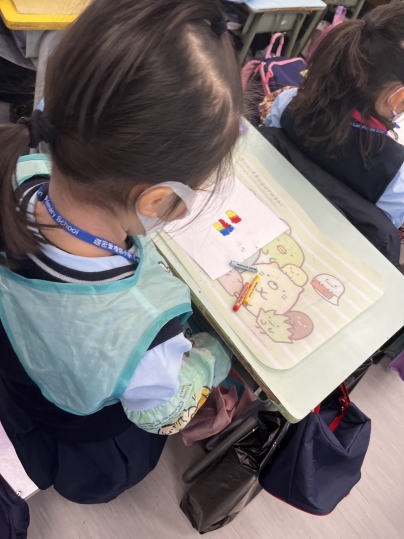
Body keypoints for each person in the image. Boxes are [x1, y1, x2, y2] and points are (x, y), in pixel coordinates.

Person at [0, 0, 243, 504]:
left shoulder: (16, 169)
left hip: (22, 376)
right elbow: (162, 412)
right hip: (86, 441)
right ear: (155, 200)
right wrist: (216, 357)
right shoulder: (143, 329)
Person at [264, 3, 404, 229]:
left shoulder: (288, 102)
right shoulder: (396, 175)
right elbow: (383, 231)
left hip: (266, 208)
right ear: (398, 97)